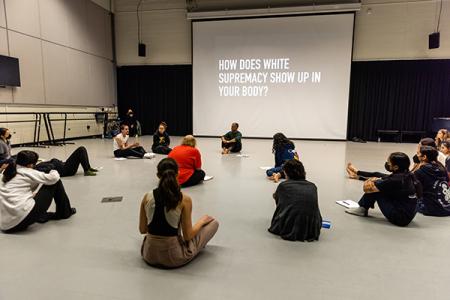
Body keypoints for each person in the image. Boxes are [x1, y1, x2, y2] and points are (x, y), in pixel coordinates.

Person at [139, 158, 219, 268]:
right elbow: (187, 236)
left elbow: (143, 229)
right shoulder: (184, 199)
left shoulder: (147, 197)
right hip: (173, 258)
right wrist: (201, 222)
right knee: (213, 223)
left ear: (158, 175)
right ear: (178, 174)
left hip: (149, 255)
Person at [0, 150, 76, 233]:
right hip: (21, 219)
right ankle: (65, 212)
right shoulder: (29, 172)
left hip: (6, 225)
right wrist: (53, 170)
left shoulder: (7, 172)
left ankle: (40, 216)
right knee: (55, 182)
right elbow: (53, 178)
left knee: (35, 195)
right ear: (30, 165)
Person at [346, 152, 419, 227]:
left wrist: (371, 181)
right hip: (409, 213)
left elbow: (367, 189)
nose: (387, 164)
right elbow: (380, 176)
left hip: (400, 219)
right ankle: (356, 173)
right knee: (379, 180)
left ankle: (362, 208)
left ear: (396, 167)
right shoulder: (409, 175)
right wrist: (360, 177)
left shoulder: (394, 180)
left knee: (377, 190)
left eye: (389, 163)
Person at [268, 159, 322, 241]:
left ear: (287, 173)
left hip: (289, 226)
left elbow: (279, 203)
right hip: (311, 228)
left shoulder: (284, 186)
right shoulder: (313, 186)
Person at [414, 146, 450, 216]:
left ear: (424, 157)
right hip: (447, 207)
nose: (417, 155)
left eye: (419, 154)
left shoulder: (420, 172)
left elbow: (415, 190)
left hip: (432, 209)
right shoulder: (442, 168)